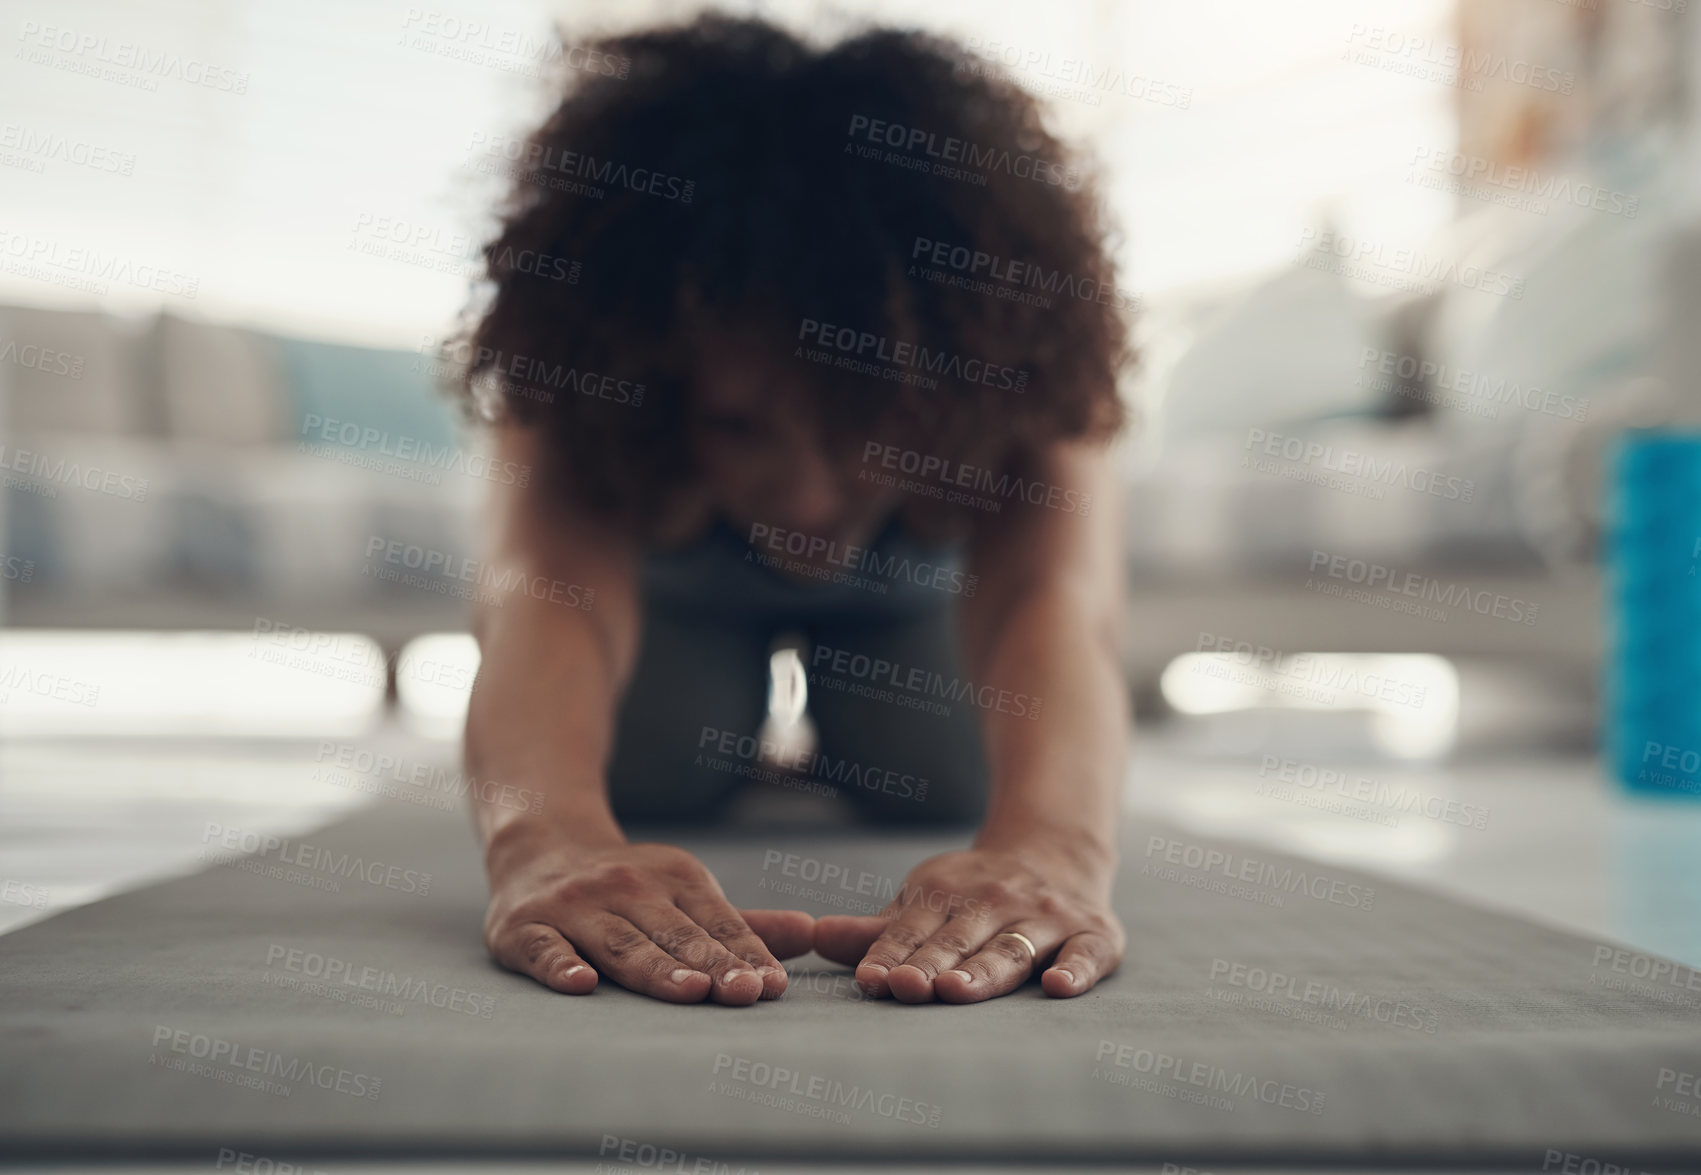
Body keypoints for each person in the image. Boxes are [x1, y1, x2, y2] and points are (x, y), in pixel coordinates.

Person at [453, 13, 1133, 1007]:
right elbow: (540, 602)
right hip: (674, 581)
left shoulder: (1016, 355)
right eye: (738, 424)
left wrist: (1056, 852)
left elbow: (1054, 601)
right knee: (660, 769)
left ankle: (826, 721)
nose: (809, 496)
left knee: (945, 780)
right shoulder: (590, 368)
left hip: (916, 594)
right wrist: (543, 844)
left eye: (867, 425)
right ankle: (738, 727)